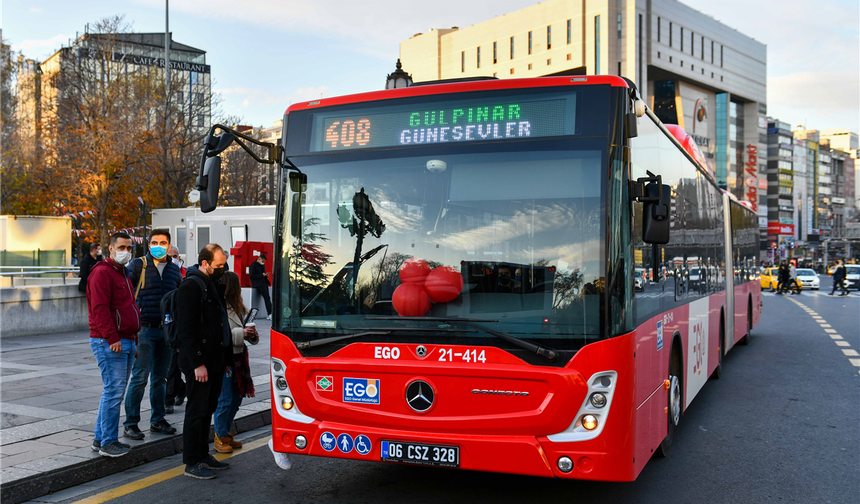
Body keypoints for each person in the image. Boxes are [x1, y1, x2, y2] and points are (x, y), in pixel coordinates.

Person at [177, 244, 232, 479]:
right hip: (199, 363)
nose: (222, 269)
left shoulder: (213, 284)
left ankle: (203, 454)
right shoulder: (191, 286)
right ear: (205, 263)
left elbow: (220, 323)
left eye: (223, 265)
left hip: (216, 360)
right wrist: (197, 363)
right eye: (218, 265)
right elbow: (186, 330)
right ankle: (192, 461)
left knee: (208, 408)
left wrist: (226, 359)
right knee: (197, 410)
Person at [123, 229, 182, 440]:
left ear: (169, 245)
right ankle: (130, 423)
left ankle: (158, 419)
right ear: (148, 245)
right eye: (155, 242)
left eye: (163, 242)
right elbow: (124, 294)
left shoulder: (175, 270)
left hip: (165, 331)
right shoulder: (138, 265)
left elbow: (179, 302)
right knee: (140, 377)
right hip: (144, 330)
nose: (159, 245)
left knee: (160, 378)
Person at [86, 232, 140, 457]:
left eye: (129, 248)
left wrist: (132, 341)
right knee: (114, 392)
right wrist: (112, 339)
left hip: (126, 340)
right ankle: (108, 441)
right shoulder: (102, 273)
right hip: (110, 341)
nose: (125, 252)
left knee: (113, 392)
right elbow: (99, 310)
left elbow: (129, 308)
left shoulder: (122, 273)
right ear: (110, 248)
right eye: (121, 247)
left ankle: (101, 439)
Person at [213, 271, 259, 453]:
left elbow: (247, 335)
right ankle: (219, 436)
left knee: (237, 397)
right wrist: (242, 334)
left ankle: (225, 432)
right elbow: (218, 334)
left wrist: (252, 335)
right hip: (225, 358)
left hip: (239, 356)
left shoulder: (237, 306)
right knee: (224, 399)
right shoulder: (218, 307)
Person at [165, 247, 187, 414]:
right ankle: (180, 389)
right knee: (167, 367)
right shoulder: (163, 273)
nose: (173, 259)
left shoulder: (185, 274)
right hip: (163, 322)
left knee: (174, 366)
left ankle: (168, 399)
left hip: (176, 325)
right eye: (170, 256)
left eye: (175, 256)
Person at [249, 253, 272, 320]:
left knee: (267, 298)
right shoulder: (253, 266)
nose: (263, 263)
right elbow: (252, 276)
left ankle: (270, 313)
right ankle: (269, 313)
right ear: (259, 259)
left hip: (264, 283)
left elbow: (262, 274)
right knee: (267, 298)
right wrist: (261, 275)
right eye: (263, 261)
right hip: (258, 284)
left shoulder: (262, 266)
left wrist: (265, 276)